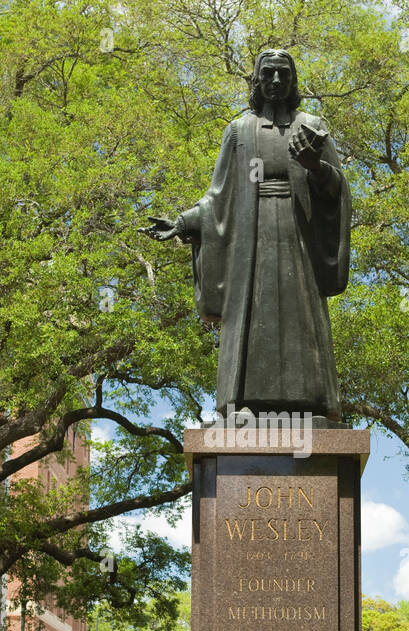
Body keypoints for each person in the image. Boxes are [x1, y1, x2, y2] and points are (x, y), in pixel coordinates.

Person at [143, 49, 351, 423]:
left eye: (282, 74)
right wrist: (184, 221)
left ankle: (311, 403)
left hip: (297, 235)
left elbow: (337, 188)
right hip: (250, 243)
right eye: (267, 73)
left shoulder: (312, 126)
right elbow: (219, 196)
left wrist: (315, 167)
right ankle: (248, 406)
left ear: (292, 80)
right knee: (254, 318)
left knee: (300, 315)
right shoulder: (240, 132)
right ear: (256, 80)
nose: (275, 81)